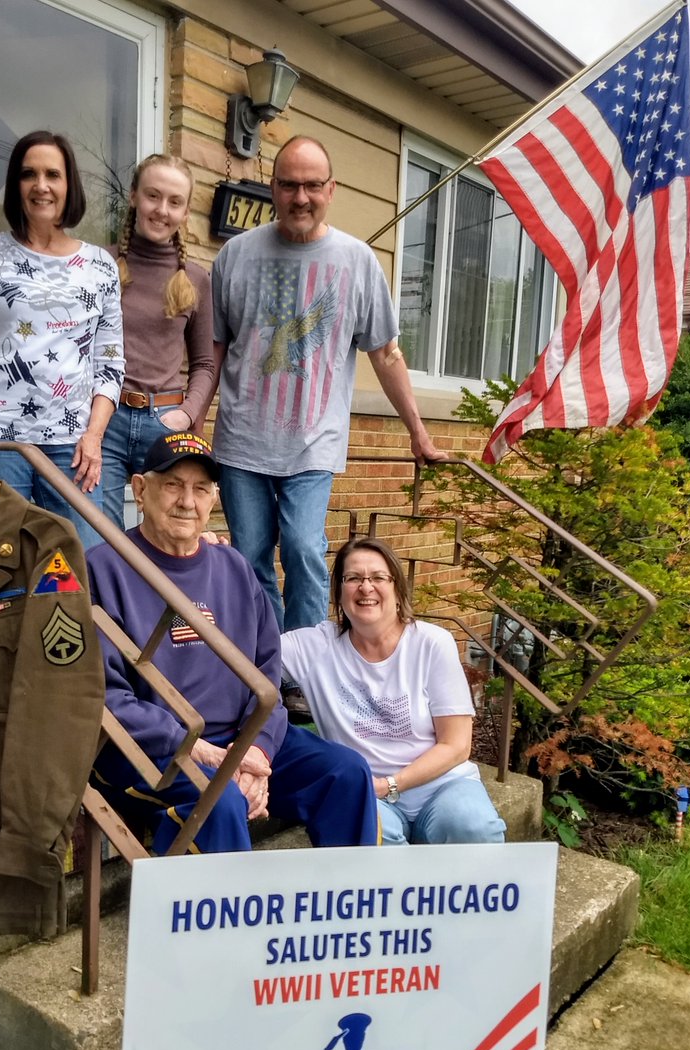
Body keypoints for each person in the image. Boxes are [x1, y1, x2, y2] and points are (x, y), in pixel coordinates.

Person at [86, 431, 379, 855]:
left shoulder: (234, 566)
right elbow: (104, 695)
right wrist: (202, 752)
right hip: (150, 750)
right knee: (217, 801)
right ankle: (213, 920)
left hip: (238, 743)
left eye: (201, 489)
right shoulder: (102, 568)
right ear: (139, 489)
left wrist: (255, 753)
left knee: (346, 772)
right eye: (172, 485)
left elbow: (267, 675)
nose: (187, 501)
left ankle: (343, 912)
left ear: (214, 498)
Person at [211, 134, 449, 643]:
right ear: (271, 188)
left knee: (301, 548)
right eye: (289, 185)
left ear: (331, 189)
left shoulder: (357, 262)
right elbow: (214, 348)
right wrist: (189, 414)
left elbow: (386, 353)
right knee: (249, 554)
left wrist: (418, 433)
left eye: (313, 186)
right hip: (242, 439)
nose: (301, 197)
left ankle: (303, 668)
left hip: (313, 442)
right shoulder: (234, 256)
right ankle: (266, 662)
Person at [0, 130, 124, 548]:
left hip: (72, 447)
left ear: (68, 184)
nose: (41, 185)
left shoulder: (100, 266)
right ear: (16, 184)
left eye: (52, 174)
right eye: (28, 174)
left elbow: (110, 362)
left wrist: (93, 437)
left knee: (82, 565)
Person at [281, 537, 506, 846]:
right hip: (366, 793)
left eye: (377, 577)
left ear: (398, 589)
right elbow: (244, 647)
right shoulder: (315, 647)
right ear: (339, 593)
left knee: (474, 827)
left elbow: (456, 746)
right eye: (353, 578)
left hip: (441, 785)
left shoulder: (431, 643)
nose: (365, 587)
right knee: (370, 840)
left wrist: (390, 784)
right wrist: (212, 559)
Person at [101, 154, 214, 528]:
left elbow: (204, 364)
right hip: (106, 420)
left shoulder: (195, 279)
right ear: (134, 196)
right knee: (97, 535)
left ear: (185, 210)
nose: (162, 209)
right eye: (153, 196)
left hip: (163, 423)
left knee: (165, 536)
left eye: (175, 201)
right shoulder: (100, 265)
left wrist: (186, 413)